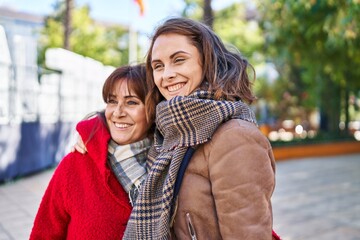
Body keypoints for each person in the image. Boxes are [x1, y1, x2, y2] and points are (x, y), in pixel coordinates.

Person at [74, 18, 279, 240]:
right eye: (158, 66)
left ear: (207, 61)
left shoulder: (235, 137)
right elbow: (126, 117)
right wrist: (93, 129)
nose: (167, 74)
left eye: (179, 60)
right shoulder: (168, 131)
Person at [30, 64, 155, 239]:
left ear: (152, 109)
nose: (117, 112)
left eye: (131, 102)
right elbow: (43, 234)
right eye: (112, 101)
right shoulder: (75, 163)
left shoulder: (168, 164)